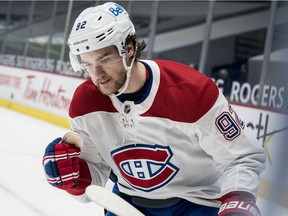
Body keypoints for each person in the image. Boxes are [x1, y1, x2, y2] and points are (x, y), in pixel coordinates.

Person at [42, 2, 266, 216]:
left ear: (129, 49)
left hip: (197, 204)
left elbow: (243, 156)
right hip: (127, 202)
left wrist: (238, 201)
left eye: (105, 59)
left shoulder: (192, 92)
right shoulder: (86, 102)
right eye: (87, 64)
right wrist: (72, 177)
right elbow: (95, 177)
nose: (97, 74)